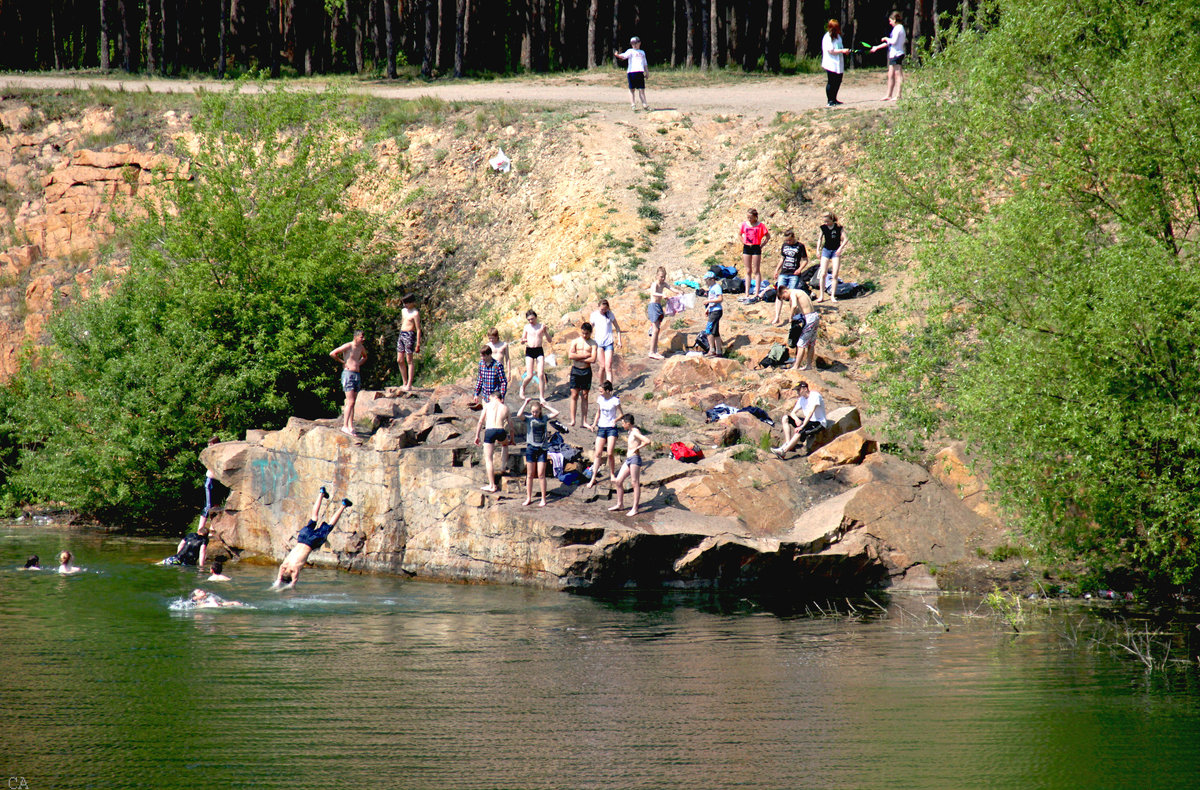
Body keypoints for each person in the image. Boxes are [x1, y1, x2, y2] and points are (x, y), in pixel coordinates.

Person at [272, 487, 352, 589]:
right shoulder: (284, 565)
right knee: (314, 517)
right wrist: (279, 579)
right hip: (302, 537)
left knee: (330, 526)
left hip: (312, 542)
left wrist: (288, 586)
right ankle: (321, 493)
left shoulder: (295, 568)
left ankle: (343, 505)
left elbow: (293, 582)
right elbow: (279, 577)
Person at [519, 398, 561, 507]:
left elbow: (557, 413)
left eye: (536, 411)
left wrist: (545, 405)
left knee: (541, 474)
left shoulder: (544, 418)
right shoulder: (529, 419)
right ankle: (528, 497)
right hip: (531, 449)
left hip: (542, 449)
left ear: (540, 411)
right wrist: (525, 403)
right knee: (530, 474)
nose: (534, 413)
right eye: (533, 411)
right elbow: (519, 415)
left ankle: (543, 498)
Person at [607, 414, 651, 516]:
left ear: (628, 423)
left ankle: (635, 508)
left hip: (635, 459)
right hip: (628, 459)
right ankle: (620, 504)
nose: (622, 425)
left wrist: (637, 448)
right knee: (618, 481)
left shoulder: (635, 432)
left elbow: (647, 441)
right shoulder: (630, 431)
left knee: (634, 482)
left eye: (623, 423)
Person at [771, 381, 829, 458]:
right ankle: (788, 444)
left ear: (805, 389)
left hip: (818, 423)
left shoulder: (815, 396)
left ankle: (783, 452)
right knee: (785, 418)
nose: (797, 392)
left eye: (799, 390)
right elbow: (792, 413)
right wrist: (796, 419)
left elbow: (811, 412)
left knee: (800, 431)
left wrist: (802, 426)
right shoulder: (801, 399)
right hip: (808, 421)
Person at [474, 389, 513, 494]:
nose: (489, 399)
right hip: (500, 430)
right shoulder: (505, 407)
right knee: (505, 445)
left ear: (495, 397)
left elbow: (480, 421)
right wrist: (512, 439)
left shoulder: (487, 405)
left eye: (490, 397)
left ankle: (492, 485)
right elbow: (511, 426)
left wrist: (477, 436)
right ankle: (503, 466)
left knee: (488, 459)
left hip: (490, 431)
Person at [330, 330, 367, 437]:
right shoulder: (348, 346)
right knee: (350, 401)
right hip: (348, 374)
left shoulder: (361, 348)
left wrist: (358, 364)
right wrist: (343, 362)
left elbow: (365, 357)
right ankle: (344, 426)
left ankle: (350, 426)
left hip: (356, 375)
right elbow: (332, 353)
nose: (363, 339)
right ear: (355, 337)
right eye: (361, 337)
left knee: (353, 402)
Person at [587, 381, 623, 488]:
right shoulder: (600, 399)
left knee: (610, 452)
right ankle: (593, 478)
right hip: (601, 427)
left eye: (601, 391)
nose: (600, 393)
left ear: (607, 391)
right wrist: (594, 424)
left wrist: (615, 420)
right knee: (597, 453)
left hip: (611, 428)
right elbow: (598, 412)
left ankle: (612, 474)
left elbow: (621, 414)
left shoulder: (615, 400)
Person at [772, 230, 809, 325]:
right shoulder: (784, 245)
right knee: (779, 294)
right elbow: (782, 258)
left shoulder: (800, 246)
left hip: (794, 274)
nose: (788, 242)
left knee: (792, 296)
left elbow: (805, 260)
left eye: (789, 240)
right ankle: (777, 316)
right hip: (784, 273)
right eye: (786, 240)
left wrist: (800, 269)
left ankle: (793, 316)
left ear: (793, 237)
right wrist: (777, 270)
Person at [567, 322, 598, 427]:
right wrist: (584, 355)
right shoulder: (575, 341)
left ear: (590, 333)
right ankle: (573, 419)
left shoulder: (593, 343)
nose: (585, 335)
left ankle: (584, 421)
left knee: (585, 396)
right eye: (583, 333)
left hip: (586, 371)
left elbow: (593, 359)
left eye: (587, 334)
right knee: (574, 395)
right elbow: (570, 355)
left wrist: (578, 356)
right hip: (576, 370)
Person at [518, 309, 554, 402]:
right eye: (529, 319)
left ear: (536, 317)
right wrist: (522, 341)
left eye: (532, 319)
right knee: (529, 375)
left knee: (541, 374)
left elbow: (550, 340)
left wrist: (545, 332)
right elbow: (523, 340)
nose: (531, 321)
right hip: (530, 350)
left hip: (539, 350)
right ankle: (522, 388)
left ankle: (541, 397)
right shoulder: (526, 327)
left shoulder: (541, 326)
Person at [870, 12, 907, 101]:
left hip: (897, 54)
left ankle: (898, 95)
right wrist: (876, 48)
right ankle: (889, 94)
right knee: (890, 74)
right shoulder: (895, 29)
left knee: (898, 74)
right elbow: (889, 43)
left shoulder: (899, 28)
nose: (890, 23)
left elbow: (893, 41)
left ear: (894, 20)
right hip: (893, 54)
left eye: (890, 21)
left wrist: (886, 38)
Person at [782, 286, 820, 371]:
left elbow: (794, 305)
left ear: (785, 291)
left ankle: (796, 366)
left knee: (801, 343)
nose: (785, 299)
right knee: (811, 343)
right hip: (815, 316)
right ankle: (809, 365)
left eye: (784, 297)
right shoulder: (800, 291)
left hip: (809, 318)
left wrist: (790, 317)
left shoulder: (793, 293)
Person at [816, 211, 848, 303]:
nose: (826, 223)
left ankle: (833, 296)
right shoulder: (823, 228)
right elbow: (820, 239)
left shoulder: (838, 227)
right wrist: (818, 250)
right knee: (823, 273)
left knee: (835, 274)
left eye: (828, 222)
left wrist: (840, 248)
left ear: (832, 220)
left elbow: (845, 239)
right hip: (826, 250)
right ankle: (821, 295)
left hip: (835, 251)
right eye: (825, 222)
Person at [589, 299, 622, 386]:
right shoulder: (594, 315)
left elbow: (617, 328)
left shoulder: (610, 314)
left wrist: (619, 340)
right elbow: (590, 329)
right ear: (598, 307)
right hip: (599, 343)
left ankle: (609, 388)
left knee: (608, 366)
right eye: (602, 309)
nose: (603, 311)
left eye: (605, 309)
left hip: (608, 343)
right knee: (602, 366)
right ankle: (601, 385)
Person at [738, 209, 771, 294]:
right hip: (747, 247)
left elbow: (767, 236)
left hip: (756, 247)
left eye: (751, 217)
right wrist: (743, 241)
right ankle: (747, 292)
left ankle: (756, 292)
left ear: (755, 217)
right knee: (748, 270)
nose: (749, 219)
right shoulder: (744, 224)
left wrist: (762, 245)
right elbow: (740, 234)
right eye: (748, 217)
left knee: (756, 270)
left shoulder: (760, 226)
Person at [647, 268, 676, 360]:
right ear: (657, 276)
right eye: (661, 277)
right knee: (655, 330)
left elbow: (671, 288)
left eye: (664, 277)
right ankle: (651, 352)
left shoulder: (663, 284)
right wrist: (662, 295)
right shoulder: (655, 284)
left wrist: (679, 292)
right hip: (653, 306)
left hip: (658, 307)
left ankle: (655, 351)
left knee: (657, 330)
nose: (663, 279)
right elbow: (653, 292)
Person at [614, 36, 650, 111]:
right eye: (633, 44)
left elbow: (645, 63)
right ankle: (633, 104)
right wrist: (618, 55)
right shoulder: (630, 51)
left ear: (639, 43)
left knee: (641, 89)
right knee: (632, 89)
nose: (634, 45)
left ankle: (645, 104)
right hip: (631, 72)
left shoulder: (642, 52)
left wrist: (647, 72)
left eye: (636, 43)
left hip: (640, 72)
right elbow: (624, 55)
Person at [822, 19, 851, 107]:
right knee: (831, 81)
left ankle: (834, 98)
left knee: (838, 81)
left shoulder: (838, 37)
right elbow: (831, 51)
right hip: (830, 63)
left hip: (838, 62)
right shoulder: (827, 37)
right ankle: (830, 100)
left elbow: (840, 47)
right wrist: (842, 50)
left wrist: (845, 51)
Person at [396, 294, 422, 392]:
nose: (405, 305)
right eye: (404, 303)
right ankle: (404, 382)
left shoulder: (415, 313)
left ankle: (409, 384)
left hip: (409, 335)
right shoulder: (403, 311)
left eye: (407, 303)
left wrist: (418, 343)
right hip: (402, 334)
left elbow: (418, 329)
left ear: (412, 303)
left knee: (409, 360)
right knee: (399, 359)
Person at [702, 271, 724, 357]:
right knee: (715, 332)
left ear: (711, 279)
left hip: (716, 311)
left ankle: (712, 350)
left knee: (708, 330)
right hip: (712, 310)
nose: (706, 283)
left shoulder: (716, 287)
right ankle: (718, 351)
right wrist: (708, 308)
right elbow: (713, 300)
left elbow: (720, 299)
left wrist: (708, 301)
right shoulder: (711, 288)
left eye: (707, 280)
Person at [203, 435, 220, 513]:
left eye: (211, 445)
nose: (209, 447)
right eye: (209, 445)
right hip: (210, 480)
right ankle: (201, 526)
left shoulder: (219, 453)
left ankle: (214, 525)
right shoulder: (210, 454)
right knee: (208, 506)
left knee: (217, 505)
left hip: (217, 481)